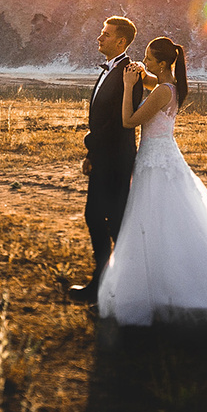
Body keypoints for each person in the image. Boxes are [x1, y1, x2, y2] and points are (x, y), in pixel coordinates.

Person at [96, 36, 207, 326]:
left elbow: (129, 121)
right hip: (161, 155)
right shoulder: (169, 86)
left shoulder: (161, 92)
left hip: (155, 160)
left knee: (154, 220)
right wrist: (141, 74)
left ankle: (173, 286)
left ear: (164, 63)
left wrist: (130, 86)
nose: (147, 61)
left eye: (150, 58)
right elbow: (151, 81)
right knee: (167, 220)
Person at [67, 16, 144, 304]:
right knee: (104, 218)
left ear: (121, 41)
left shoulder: (130, 73)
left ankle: (108, 283)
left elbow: (118, 123)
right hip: (103, 158)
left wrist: (91, 145)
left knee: (109, 220)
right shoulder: (109, 70)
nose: (100, 38)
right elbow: (99, 118)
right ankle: (111, 281)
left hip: (116, 160)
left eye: (106, 34)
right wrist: (91, 155)